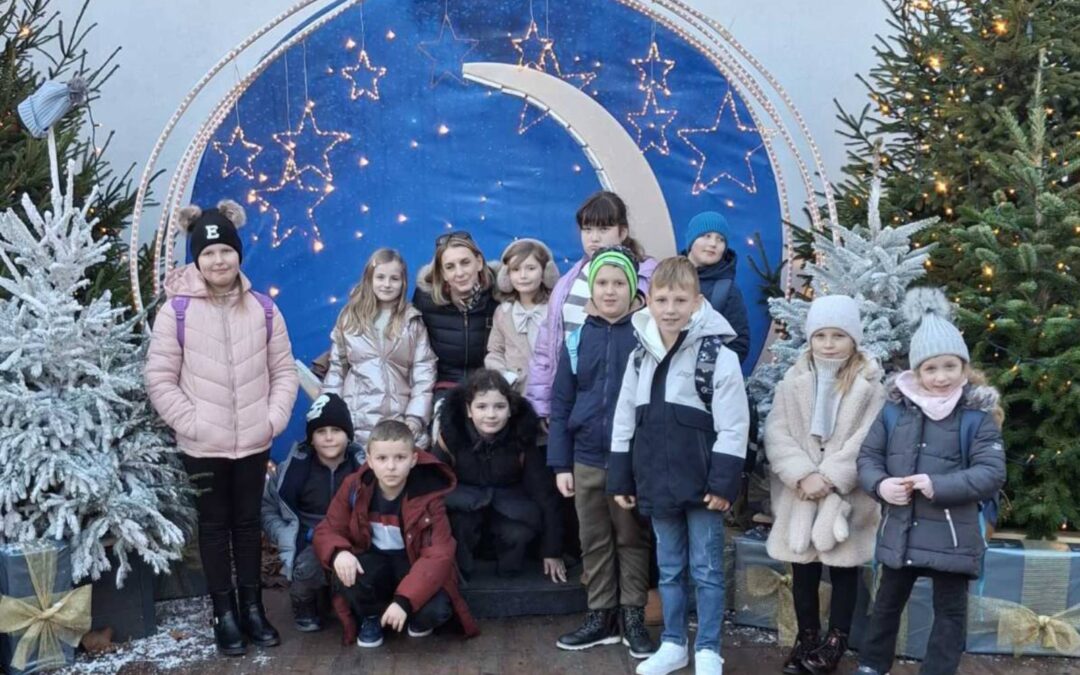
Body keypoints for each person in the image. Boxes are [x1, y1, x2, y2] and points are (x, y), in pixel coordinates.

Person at [145, 199, 298, 656]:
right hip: (202, 445)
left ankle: (253, 607)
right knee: (213, 528)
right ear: (197, 258)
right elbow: (160, 378)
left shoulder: (264, 309)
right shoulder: (176, 313)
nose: (218, 261)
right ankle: (224, 614)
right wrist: (191, 423)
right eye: (208, 253)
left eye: (226, 251)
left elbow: (284, 371)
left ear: (238, 254)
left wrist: (272, 419)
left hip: (253, 439)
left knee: (248, 525)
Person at [608, 256, 750, 675]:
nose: (670, 309)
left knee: (707, 570)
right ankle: (673, 643)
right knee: (669, 569)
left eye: (680, 300)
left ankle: (708, 648)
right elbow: (624, 418)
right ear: (648, 301)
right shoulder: (639, 356)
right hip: (656, 481)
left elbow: (734, 425)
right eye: (662, 300)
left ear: (697, 302)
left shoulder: (717, 356)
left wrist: (723, 484)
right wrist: (622, 476)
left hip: (703, 485)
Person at [856, 288, 1006, 675]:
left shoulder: (977, 416)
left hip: (953, 536)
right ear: (917, 371)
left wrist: (938, 485)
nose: (941, 377)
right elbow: (868, 458)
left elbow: (991, 472)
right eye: (931, 368)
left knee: (950, 613)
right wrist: (881, 485)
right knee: (886, 604)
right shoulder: (894, 411)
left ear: (964, 367)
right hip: (901, 529)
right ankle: (872, 665)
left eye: (949, 366)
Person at [763, 295, 886, 675]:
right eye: (820, 335)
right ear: (810, 338)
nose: (828, 344)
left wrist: (830, 477)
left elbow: (867, 438)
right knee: (803, 567)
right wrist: (802, 473)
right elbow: (777, 432)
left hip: (845, 494)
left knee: (844, 566)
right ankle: (807, 636)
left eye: (838, 335)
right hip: (800, 492)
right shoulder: (792, 381)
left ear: (853, 339)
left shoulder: (871, 386)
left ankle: (836, 640)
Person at [548, 246, 655, 658]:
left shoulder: (646, 335)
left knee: (631, 538)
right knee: (593, 539)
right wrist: (561, 463)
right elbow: (562, 404)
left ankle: (633, 616)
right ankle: (601, 617)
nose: (610, 291)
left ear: (633, 289)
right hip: (587, 457)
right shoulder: (577, 339)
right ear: (592, 289)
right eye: (603, 283)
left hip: (630, 461)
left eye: (619, 283)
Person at [312, 419, 479, 647]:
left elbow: (438, 555)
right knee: (346, 571)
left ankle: (408, 616)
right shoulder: (355, 486)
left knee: (437, 610)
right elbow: (329, 527)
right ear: (369, 460)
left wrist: (404, 601)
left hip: (413, 562)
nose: (391, 467)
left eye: (400, 458)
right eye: (382, 458)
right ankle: (372, 617)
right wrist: (338, 552)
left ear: (413, 459)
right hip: (374, 561)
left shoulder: (428, 493)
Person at [527, 191, 658, 422]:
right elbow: (547, 345)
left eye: (603, 229)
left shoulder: (647, 277)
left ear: (623, 232)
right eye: (587, 229)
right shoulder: (568, 281)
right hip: (575, 396)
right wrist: (543, 405)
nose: (594, 238)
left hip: (625, 397)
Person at [434, 369, 565, 582]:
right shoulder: (451, 436)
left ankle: (510, 576)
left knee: (518, 533)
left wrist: (552, 550)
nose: (491, 415)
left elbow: (545, 495)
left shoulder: (522, 437)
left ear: (510, 409)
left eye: (499, 407)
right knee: (457, 524)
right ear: (468, 410)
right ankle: (460, 574)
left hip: (510, 510)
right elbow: (431, 486)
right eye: (481, 407)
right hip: (465, 508)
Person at [261, 393, 365, 633]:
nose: (328, 438)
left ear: (348, 434)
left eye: (336, 430)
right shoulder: (293, 469)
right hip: (309, 539)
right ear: (311, 437)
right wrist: (286, 535)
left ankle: (350, 599)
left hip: (351, 537)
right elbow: (267, 507)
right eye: (320, 431)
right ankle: (303, 602)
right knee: (307, 569)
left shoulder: (361, 468)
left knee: (361, 575)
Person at [322, 248, 436, 448]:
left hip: (401, 422)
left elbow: (424, 373)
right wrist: (329, 413)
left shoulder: (412, 322)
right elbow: (337, 371)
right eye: (380, 277)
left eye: (394, 279)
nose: (387, 284)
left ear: (403, 283)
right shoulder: (350, 318)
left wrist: (415, 417)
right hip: (357, 421)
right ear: (369, 279)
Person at [413, 231, 499, 401]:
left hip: (489, 386)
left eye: (465, 263)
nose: (459, 273)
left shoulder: (499, 295)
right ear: (443, 273)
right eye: (450, 267)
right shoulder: (426, 300)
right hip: (443, 386)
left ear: (479, 262)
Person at [485, 238, 559, 392]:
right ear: (506, 275)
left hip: (550, 390)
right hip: (516, 393)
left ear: (545, 272)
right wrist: (505, 376)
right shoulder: (503, 312)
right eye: (516, 269)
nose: (523, 275)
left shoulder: (556, 309)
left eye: (531, 268)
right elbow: (495, 351)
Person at [682, 211, 750, 365]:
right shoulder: (669, 276)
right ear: (691, 240)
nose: (713, 243)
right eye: (706, 236)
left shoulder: (727, 290)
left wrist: (708, 369)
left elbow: (739, 344)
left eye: (720, 239)